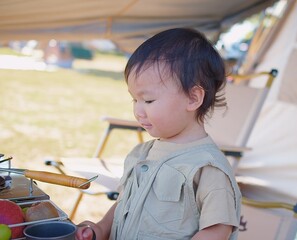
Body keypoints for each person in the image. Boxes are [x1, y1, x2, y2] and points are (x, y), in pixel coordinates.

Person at [76, 28, 242, 240]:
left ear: (193, 98)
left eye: (148, 101)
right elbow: (125, 203)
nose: (138, 110)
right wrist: (100, 229)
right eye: (134, 100)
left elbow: (218, 230)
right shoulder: (143, 153)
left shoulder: (208, 168)